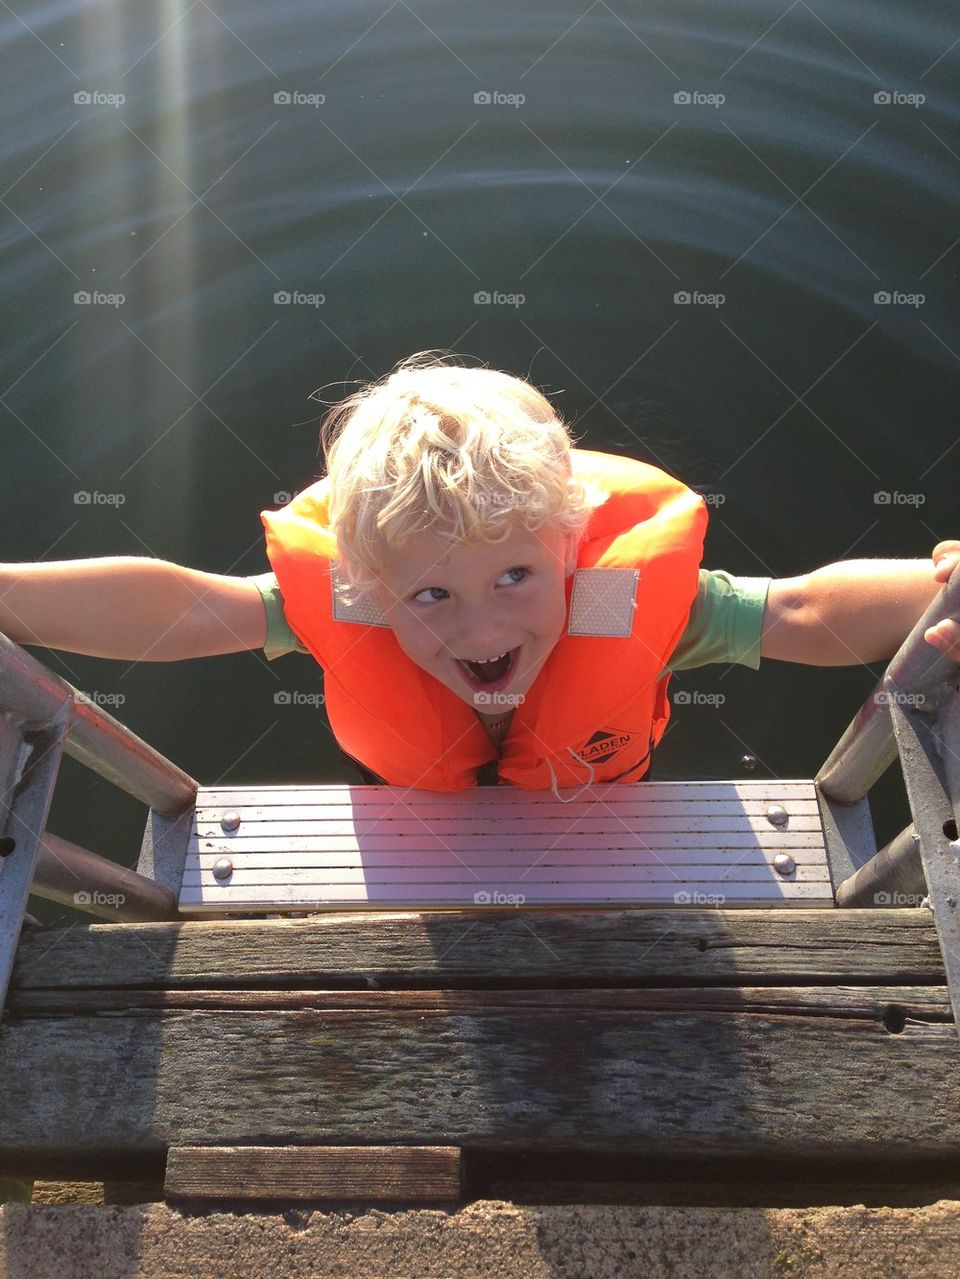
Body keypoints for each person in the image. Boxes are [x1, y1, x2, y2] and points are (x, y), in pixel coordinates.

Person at [1, 351, 957, 796]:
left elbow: (799, 609)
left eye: (513, 578)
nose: (480, 628)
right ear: (374, 586)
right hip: (421, 811)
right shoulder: (350, 598)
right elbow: (186, 605)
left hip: (598, 806)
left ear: (571, 545)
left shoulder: (617, 597)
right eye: (430, 594)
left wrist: (937, 590)